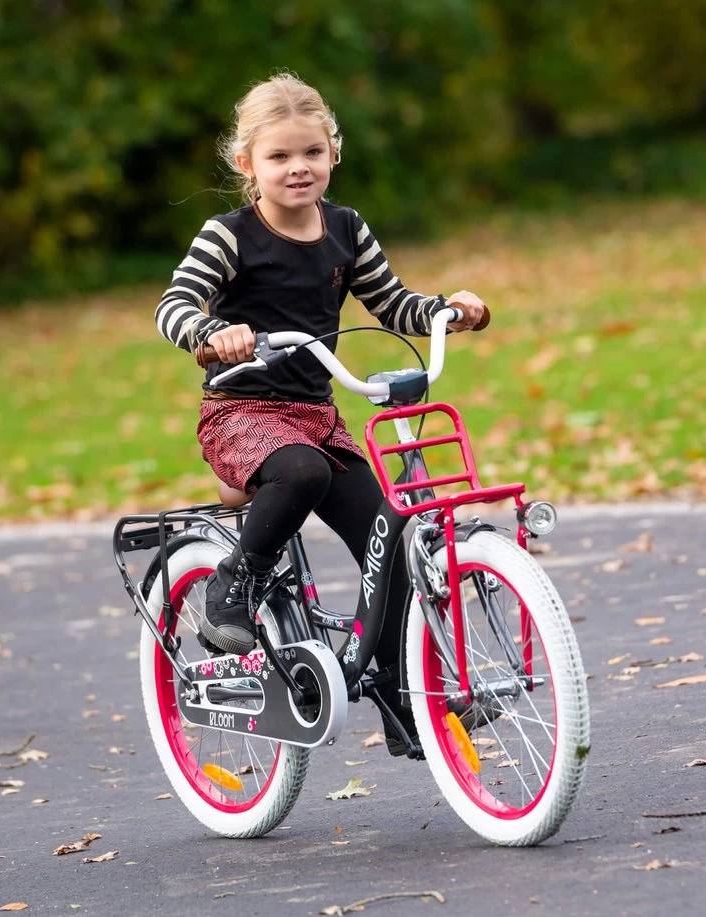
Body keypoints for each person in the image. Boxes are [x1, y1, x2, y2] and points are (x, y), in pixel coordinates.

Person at [155, 72, 487, 756]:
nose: (297, 167)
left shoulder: (346, 228)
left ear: (333, 153)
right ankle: (234, 583)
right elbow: (174, 304)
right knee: (300, 471)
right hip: (243, 412)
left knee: (391, 528)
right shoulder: (230, 235)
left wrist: (448, 309)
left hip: (317, 414)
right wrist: (209, 331)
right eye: (279, 156)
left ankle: (401, 697)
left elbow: (392, 304)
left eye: (311, 152)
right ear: (247, 164)